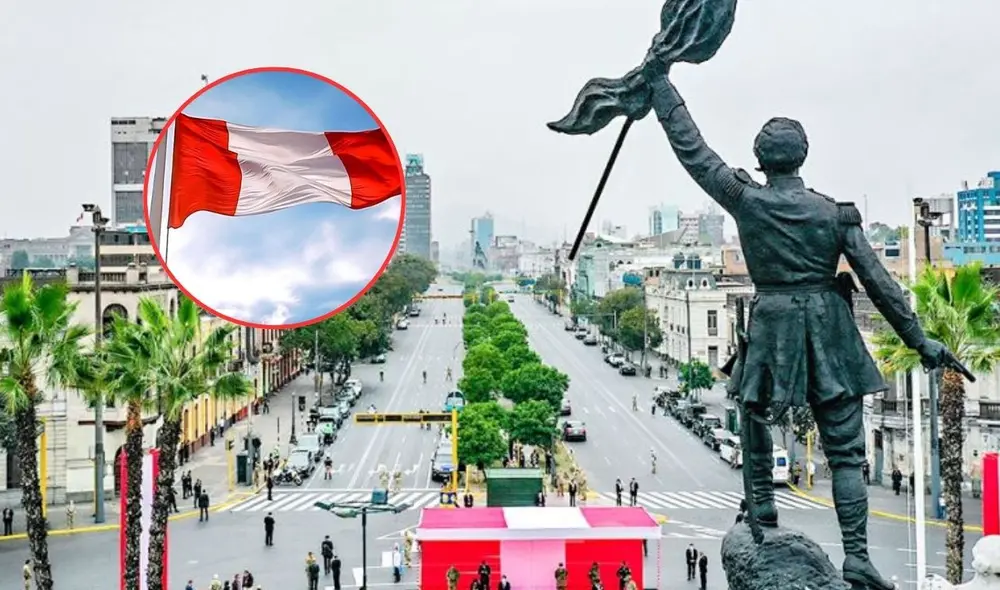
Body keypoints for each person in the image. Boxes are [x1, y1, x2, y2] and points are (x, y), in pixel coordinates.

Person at [643, 46, 957, 590]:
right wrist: (921, 338)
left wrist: (661, 90)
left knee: (755, 416)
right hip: (829, 327)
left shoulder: (746, 198)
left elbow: (694, 151)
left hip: (774, 323)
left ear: (762, 160)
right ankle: (856, 555)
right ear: (803, 157)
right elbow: (880, 284)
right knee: (845, 450)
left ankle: (762, 514)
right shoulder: (835, 214)